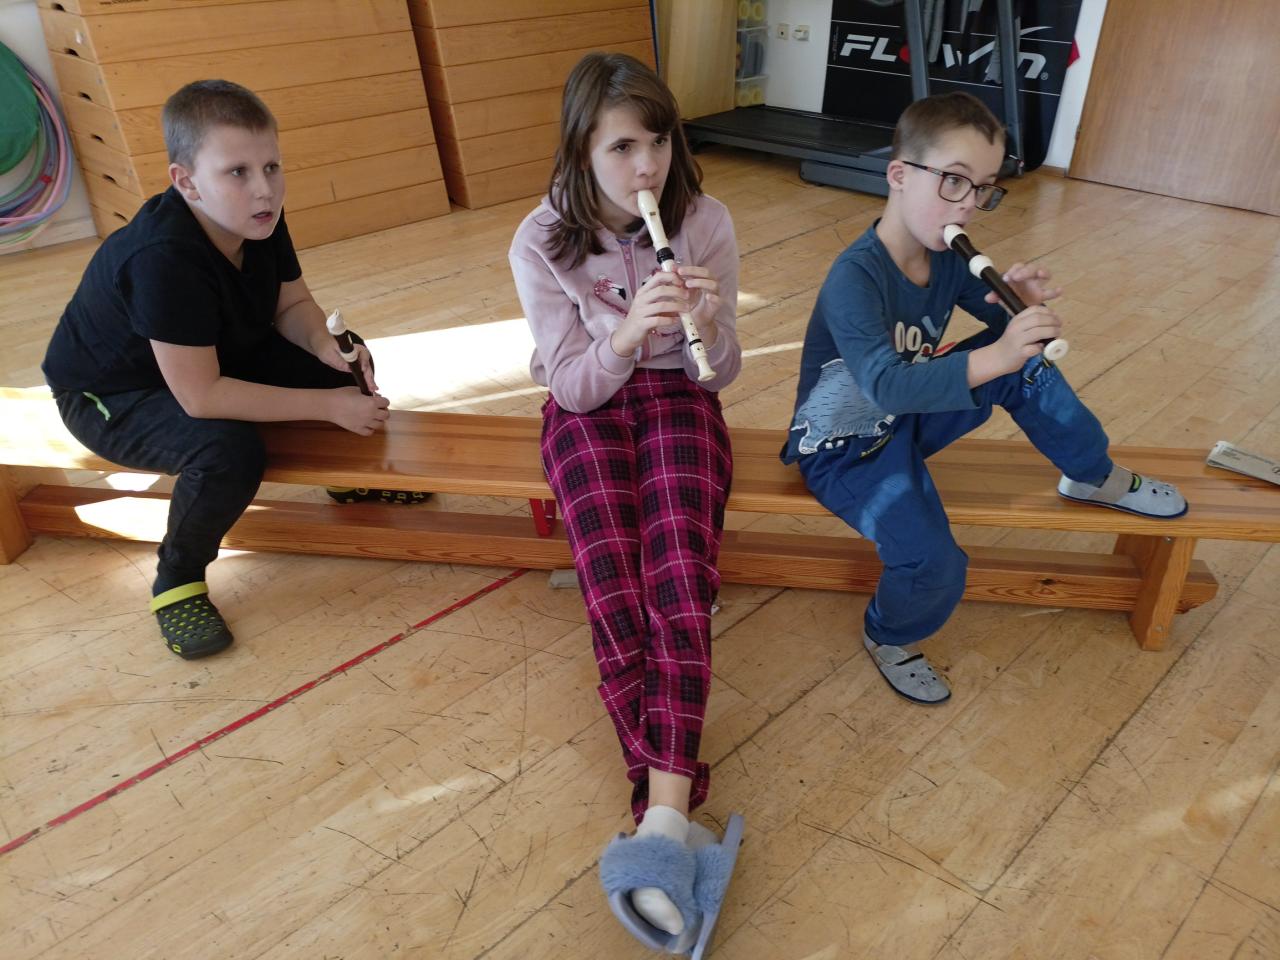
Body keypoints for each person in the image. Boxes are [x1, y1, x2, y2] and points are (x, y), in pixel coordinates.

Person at [782, 92, 1187, 705]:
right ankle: (889, 635)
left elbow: (1001, 328)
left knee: (1020, 362)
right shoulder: (854, 277)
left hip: (906, 419)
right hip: (846, 446)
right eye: (954, 180)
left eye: (983, 188)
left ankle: (1092, 475)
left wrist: (1019, 303)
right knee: (936, 564)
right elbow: (885, 385)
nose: (969, 204)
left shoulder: (946, 259)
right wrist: (999, 353)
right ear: (899, 175)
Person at [41, 79, 413, 661]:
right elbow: (202, 397)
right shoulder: (163, 258)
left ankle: (342, 476)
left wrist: (326, 347)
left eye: (271, 166)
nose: (264, 188)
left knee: (342, 360)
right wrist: (326, 405)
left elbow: (292, 305)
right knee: (228, 451)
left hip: (209, 353)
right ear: (186, 181)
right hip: (112, 393)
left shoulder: (259, 216)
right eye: (237, 172)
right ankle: (178, 579)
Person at [508, 52, 743, 956]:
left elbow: (719, 375)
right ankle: (667, 822)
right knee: (614, 588)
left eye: (658, 141)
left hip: (680, 400)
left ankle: (660, 815)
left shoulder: (704, 221)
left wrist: (706, 328)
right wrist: (626, 335)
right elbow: (570, 385)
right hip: (588, 407)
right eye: (620, 148)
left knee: (679, 577)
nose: (646, 166)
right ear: (581, 150)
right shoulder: (541, 239)